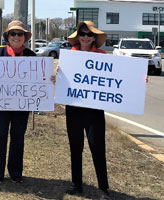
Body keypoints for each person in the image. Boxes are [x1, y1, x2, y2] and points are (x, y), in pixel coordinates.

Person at [61, 21, 111, 199]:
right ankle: (76, 184)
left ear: (95, 38)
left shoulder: (102, 55)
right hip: (73, 109)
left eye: (90, 34)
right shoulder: (69, 56)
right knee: (75, 147)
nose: (85, 37)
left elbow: (118, 77)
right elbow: (61, 81)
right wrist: (58, 75)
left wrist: (138, 79)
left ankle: (103, 187)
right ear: (77, 35)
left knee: (97, 147)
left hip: (94, 110)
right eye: (82, 33)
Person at [0, 20, 36, 185]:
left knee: (18, 137)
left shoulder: (31, 56)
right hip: (0, 104)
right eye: (13, 33)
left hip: (22, 106)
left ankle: (16, 173)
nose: (16, 37)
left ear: (25, 37)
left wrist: (48, 78)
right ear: (8, 36)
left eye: (20, 34)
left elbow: (38, 80)